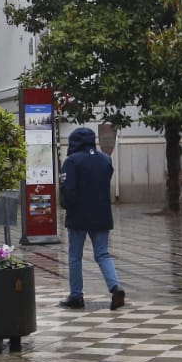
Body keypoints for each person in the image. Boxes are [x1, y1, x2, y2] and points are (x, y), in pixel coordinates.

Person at [59, 125, 124, 310]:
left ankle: (76, 296)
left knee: (75, 256)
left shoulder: (72, 161)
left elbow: (68, 191)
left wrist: (67, 205)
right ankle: (115, 287)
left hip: (78, 216)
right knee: (103, 254)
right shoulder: (105, 159)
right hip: (102, 214)